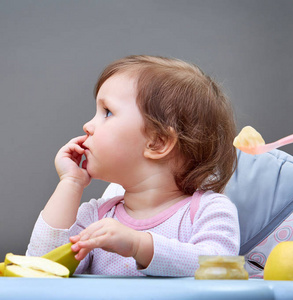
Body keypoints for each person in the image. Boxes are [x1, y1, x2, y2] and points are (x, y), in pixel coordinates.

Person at [26, 55, 240, 276]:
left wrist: (139, 246)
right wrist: (70, 183)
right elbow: (41, 268)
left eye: (107, 112)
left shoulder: (208, 210)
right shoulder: (96, 217)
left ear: (158, 142)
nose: (87, 125)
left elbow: (220, 267)